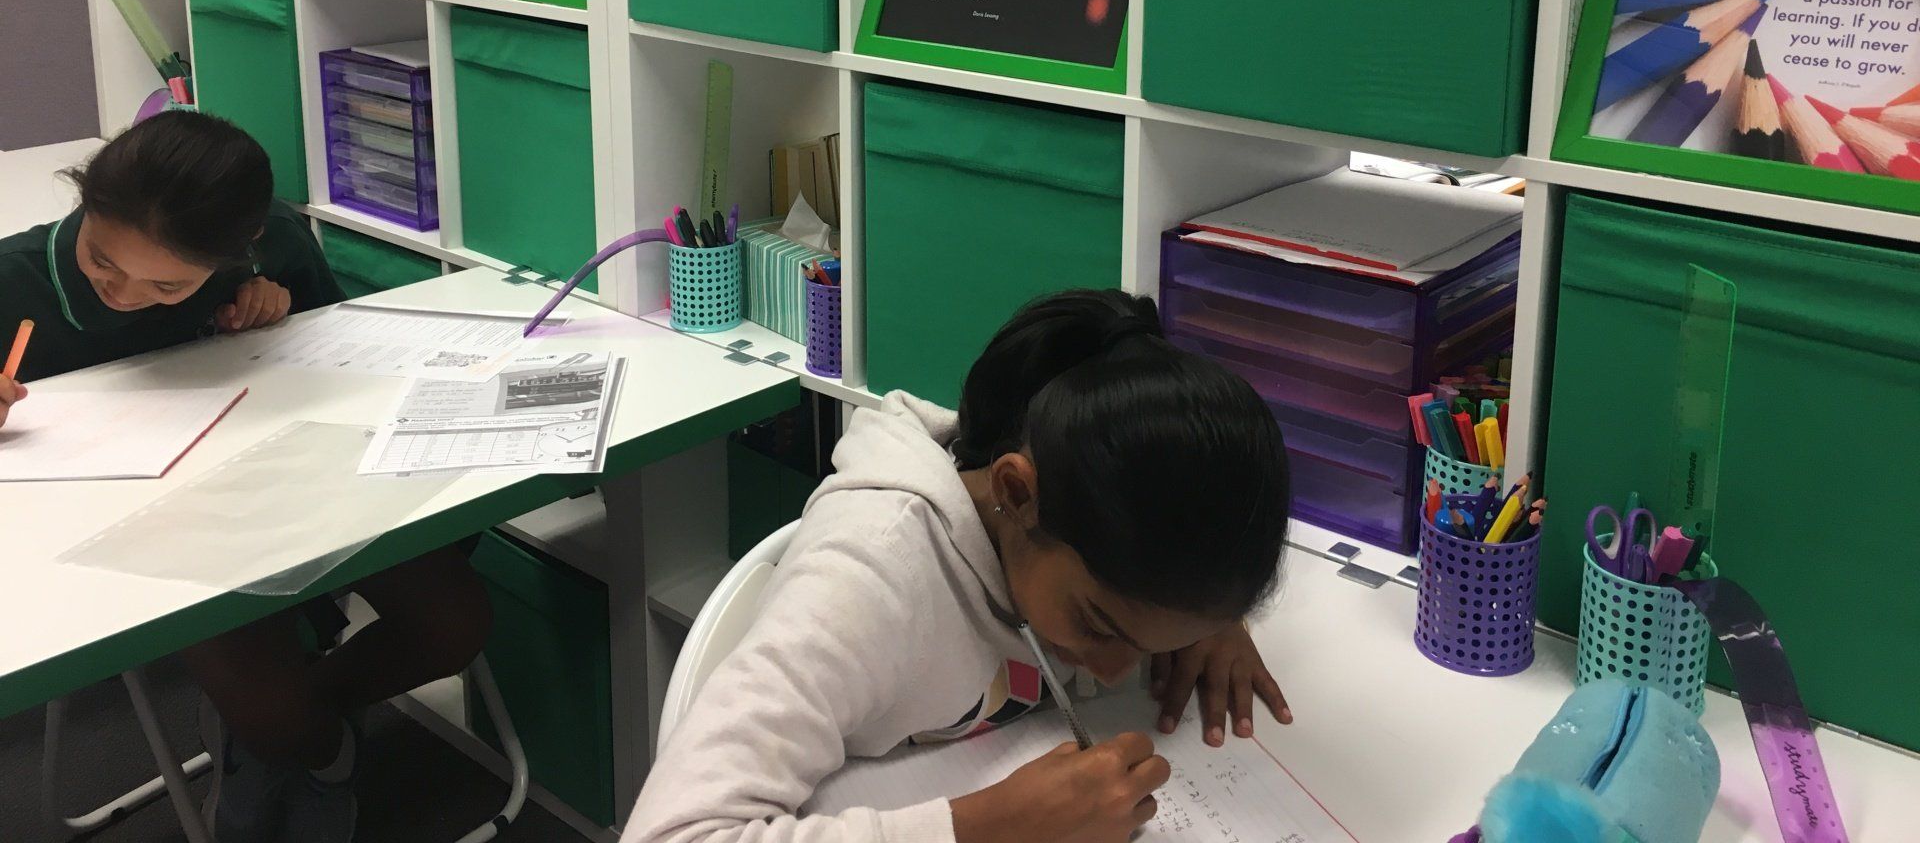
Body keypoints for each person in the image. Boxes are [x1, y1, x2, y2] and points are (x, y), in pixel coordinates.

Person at [626, 288, 1293, 843]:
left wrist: (1206, 612)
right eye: (1098, 624)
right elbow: (671, 833)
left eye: (1147, 644)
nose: (1118, 669)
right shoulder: (869, 577)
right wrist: (989, 828)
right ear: (1016, 494)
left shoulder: (1086, 530)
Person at [0, 111, 492, 843]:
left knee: (455, 623)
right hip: (148, 534)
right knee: (270, 705)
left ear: (239, 249)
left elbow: (342, 368)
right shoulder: (13, 278)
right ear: (84, 202)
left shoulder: (273, 246)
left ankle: (282, 740)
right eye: (103, 261)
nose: (124, 293)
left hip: (294, 485)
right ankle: (309, 751)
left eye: (166, 285)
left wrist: (283, 316)